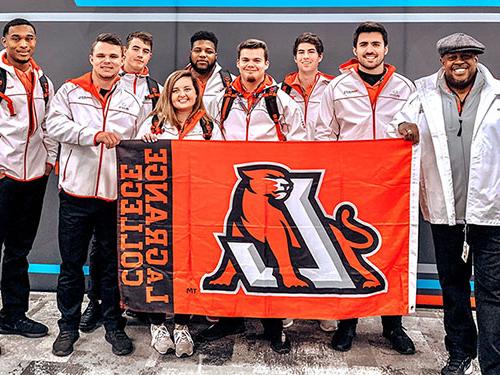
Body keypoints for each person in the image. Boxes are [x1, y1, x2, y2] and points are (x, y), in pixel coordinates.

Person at [390, 32, 500, 375]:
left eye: (467, 55)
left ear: (476, 59)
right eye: (453, 56)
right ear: (443, 61)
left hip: (490, 212)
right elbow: (398, 120)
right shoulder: (422, 92)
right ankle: (460, 353)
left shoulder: (497, 95)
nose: (460, 62)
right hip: (445, 212)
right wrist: (405, 125)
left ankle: (493, 363)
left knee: (492, 293)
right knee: (452, 288)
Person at [315, 21, 416, 355]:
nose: (370, 50)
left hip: (392, 186)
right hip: (350, 185)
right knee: (349, 252)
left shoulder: (406, 87)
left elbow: (420, 132)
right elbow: (323, 134)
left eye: (376, 44)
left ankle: (393, 325)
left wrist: (411, 130)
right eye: (364, 45)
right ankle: (348, 323)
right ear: (355, 50)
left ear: (386, 49)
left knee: (393, 251)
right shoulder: (337, 87)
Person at [202, 39, 306, 354]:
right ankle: (229, 317)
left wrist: (283, 179)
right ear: (237, 62)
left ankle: (274, 325)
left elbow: (300, 139)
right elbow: (209, 136)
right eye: (246, 59)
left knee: (271, 255)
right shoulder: (220, 99)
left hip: (270, 193)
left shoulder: (283, 101)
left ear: (266, 64)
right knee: (233, 250)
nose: (251, 65)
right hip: (232, 186)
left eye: (257, 60)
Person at [46, 32, 145, 357]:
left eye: (113, 57)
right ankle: (68, 327)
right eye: (101, 56)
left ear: (122, 61)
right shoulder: (70, 91)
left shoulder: (132, 101)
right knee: (71, 265)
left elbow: (143, 139)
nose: (107, 62)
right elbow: (54, 125)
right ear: (92, 58)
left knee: (111, 266)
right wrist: (93, 135)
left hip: (114, 197)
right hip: (75, 195)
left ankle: (113, 324)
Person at [80, 30, 163, 334]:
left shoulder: (157, 88)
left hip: (139, 179)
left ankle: (131, 303)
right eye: (135, 49)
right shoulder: (106, 82)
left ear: (150, 57)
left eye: (146, 51)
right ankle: (96, 303)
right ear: (124, 52)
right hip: (100, 175)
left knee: (135, 244)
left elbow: (158, 124)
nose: (139, 55)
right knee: (99, 247)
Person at [137, 70, 212, 357]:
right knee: (156, 260)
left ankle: (182, 323)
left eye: (188, 90)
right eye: (176, 90)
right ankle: (157, 323)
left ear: (197, 93)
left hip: (195, 207)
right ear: (168, 94)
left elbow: (222, 161)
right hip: (158, 206)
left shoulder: (208, 126)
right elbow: (133, 161)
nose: (183, 94)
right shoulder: (153, 123)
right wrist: (142, 143)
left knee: (189, 265)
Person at [0, 18, 56, 344]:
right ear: (5, 40)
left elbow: (47, 125)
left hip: (32, 177)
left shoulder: (43, 80)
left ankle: (14, 315)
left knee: (19, 251)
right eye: (17, 38)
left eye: (29, 38)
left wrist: (49, 159)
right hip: (4, 175)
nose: (24, 44)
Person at [280, 32, 336, 332]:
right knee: (292, 241)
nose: (306, 56)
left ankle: (325, 306)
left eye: (311, 51)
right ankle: (289, 304)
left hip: (326, 173)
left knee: (324, 239)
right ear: (295, 57)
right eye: (301, 51)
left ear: (320, 56)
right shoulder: (279, 90)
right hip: (292, 175)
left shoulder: (334, 86)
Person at [186, 30, 234, 107]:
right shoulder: (176, 81)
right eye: (197, 50)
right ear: (191, 53)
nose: (202, 55)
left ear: (216, 56)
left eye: (209, 52)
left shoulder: (231, 83)